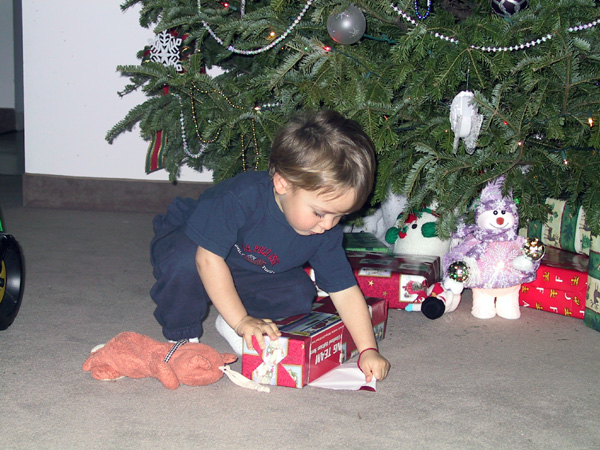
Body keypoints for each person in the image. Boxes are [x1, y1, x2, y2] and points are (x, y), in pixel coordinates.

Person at [150, 110, 390, 382]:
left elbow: (344, 290)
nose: (328, 224)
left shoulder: (324, 230)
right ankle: (183, 339)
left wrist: (368, 349)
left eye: (340, 216)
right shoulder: (239, 199)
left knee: (298, 294)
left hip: (248, 268)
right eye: (320, 213)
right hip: (200, 245)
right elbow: (208, 260)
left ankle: (234, 319)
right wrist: (241, 321)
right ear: (282, 184)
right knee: (183, 262)